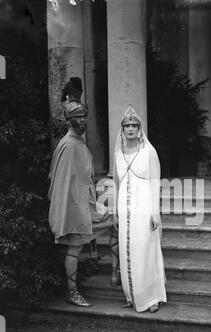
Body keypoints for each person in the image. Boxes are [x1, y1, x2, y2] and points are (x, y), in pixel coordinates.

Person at [48, 97, 119, 307]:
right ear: (69, 121)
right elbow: (63, 183)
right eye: (78, 117)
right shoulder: (69, 146)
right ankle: (73, 292)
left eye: (84, 117)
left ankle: (115, 273)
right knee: (75, 247)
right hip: (76, 208)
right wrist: (79, 210)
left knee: (115, 223)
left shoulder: (77, 143)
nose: (83, 121)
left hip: (86, 204)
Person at [113, 105, 167, 313]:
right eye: (127, 125)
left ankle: (151, 297)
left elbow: (155, 183)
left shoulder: (149, 152)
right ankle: (132, 295)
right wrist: (116, 212)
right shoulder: (118, 154)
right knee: (128, 250)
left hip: (144, 209)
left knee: (145, 250)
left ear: (140, 129)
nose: (131, 128)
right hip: (125, 211)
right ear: (122, 129)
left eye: (135, 125)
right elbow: (117, 183)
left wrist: (155, 212)